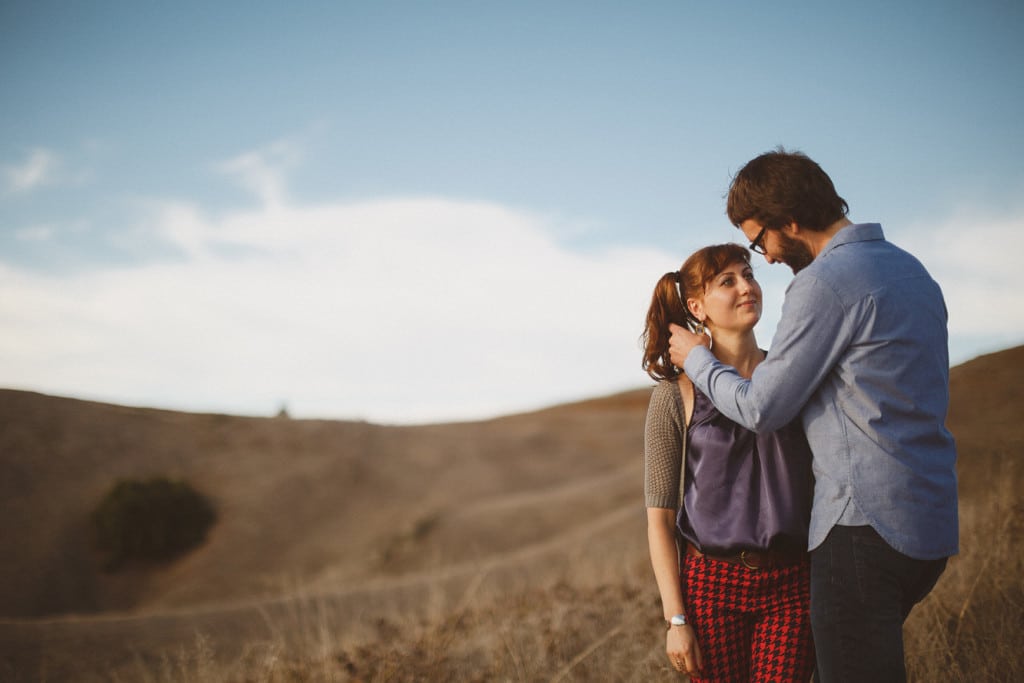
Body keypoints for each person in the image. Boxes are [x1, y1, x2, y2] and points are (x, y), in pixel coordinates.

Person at [668, 149, 958, 683]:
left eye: (761, 241)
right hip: (930, 526)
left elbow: (761, 407)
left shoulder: (824, 282)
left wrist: (698, 360)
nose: (768, 259)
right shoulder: (913, 272)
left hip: (862, 527)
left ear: (790, 222)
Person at [643, 243, 816, 682]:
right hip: (710, 586)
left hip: (792, 582)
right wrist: (676, 621)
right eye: (728, 281)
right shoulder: (674, 396)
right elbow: (660, 520)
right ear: (697, 307)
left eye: (749, 274)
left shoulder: (792, 377)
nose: (747, 287)